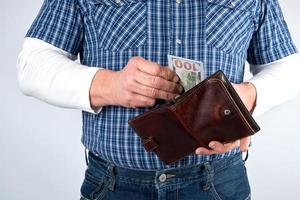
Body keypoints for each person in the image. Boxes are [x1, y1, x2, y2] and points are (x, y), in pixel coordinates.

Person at [17, 0, 299, 199]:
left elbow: (289, 67)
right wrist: (109, 84)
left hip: (219, 184)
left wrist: (248, 97)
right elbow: (31, 65)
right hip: (113, 186)